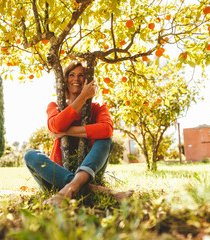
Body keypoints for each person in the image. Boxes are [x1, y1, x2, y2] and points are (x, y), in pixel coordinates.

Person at [24, 61, 133, 206]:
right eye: (71, 75)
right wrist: (83, 97)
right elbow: (56, 125)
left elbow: (106, 129)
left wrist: (66, 132)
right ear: (64, 81)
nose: (76, 79)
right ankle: (99, 191)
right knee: (30, 156)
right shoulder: (55, 107)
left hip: (91, 174)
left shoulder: (98, 109)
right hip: (55, 179)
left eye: (81, 75)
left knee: (105, 140)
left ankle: (70, 189)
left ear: (88, 81)